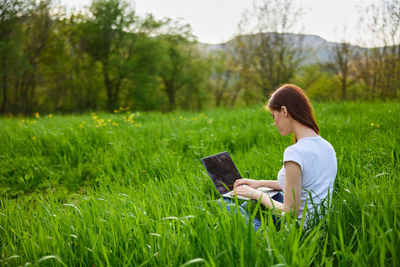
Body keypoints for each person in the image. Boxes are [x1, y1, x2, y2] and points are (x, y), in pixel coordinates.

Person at [227, 84, 337, 230]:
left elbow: (290, 212)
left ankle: (259, 239)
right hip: (318, 227)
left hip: (296, 234)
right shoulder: (326, 146)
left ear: (284, 111)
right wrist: (259, 183)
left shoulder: (295, 152)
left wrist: (255, 193)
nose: (274, 123)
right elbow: (303, 183)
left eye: (274, 116)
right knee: (252, 203)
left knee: (223, 207)